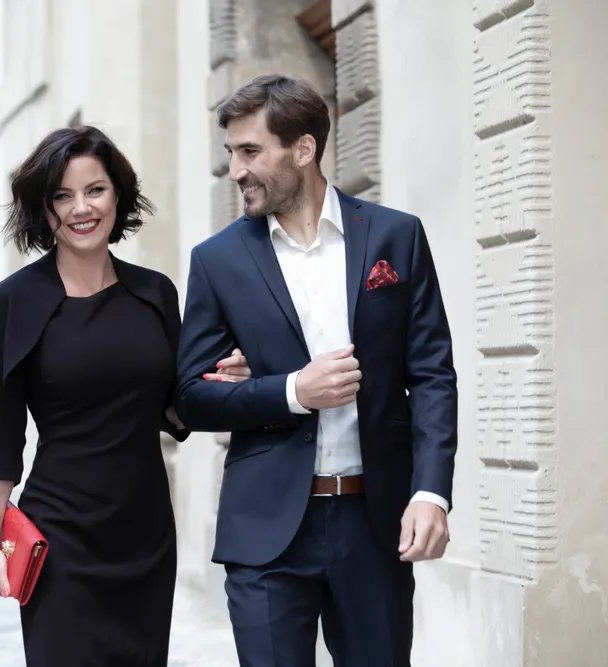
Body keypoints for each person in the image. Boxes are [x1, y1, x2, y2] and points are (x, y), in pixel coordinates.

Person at [174, 75, 458, 667]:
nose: (235, 170)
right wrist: (291, 391)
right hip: (266, 531)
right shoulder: (217, 260)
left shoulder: (396, 236)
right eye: (231, 152)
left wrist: (430, 492)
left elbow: (432, 374)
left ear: (303, 149)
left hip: (375, 522)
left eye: (250, 151)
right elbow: (191, 396)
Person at [0, 125, 251, 667]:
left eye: (94, 190)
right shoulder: (8, 304)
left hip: (144, 534)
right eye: (62, 196)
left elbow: (174, 407)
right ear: (45, 209)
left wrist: (219, 383)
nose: (81, 208)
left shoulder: (155, 293)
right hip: (59, 538)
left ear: (117, 194)